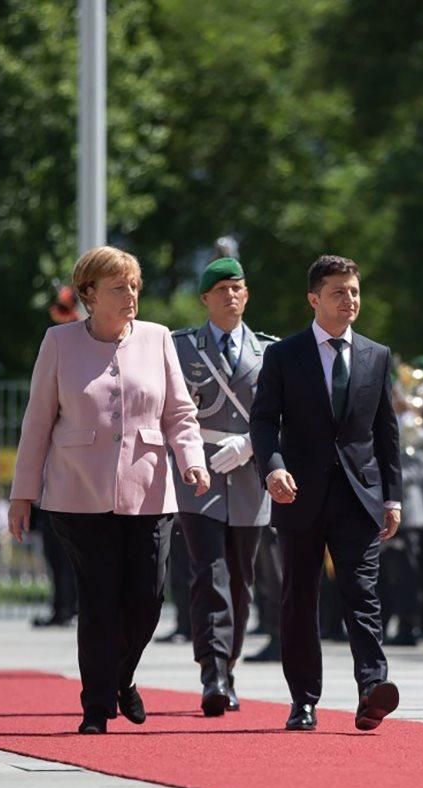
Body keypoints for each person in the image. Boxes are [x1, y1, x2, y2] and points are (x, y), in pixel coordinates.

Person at [7, 245, 209, 734]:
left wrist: (193, 461)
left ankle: (122, 676)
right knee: (97, 601)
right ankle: (96, 708)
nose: (131, 295)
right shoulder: (59, 343)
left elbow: (179, 413)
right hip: (77, 493)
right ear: (89, 294)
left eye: (134, 285)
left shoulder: (159, 339)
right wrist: (22, 492)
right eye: (119, 287)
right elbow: (37, 422)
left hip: (149, 489)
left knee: (147, 600)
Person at [250, 254, 403, 732]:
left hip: (360, 496)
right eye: (339, 292)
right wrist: (272, 469)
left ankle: (371, 690)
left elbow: (387, 432)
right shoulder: (283, 355)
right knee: (300, 598)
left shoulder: (376, 356)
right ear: (314, 298)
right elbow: (262, 420)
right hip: (298, 495)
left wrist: (392, 497)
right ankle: (304, 700)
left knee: (363, 593)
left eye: (355, 291)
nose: (349, 300)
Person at [171, 257, 279, 716]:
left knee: (241, 579)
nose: (230, 296)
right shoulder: (182, 348)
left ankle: (228, 665)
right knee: (208, 573)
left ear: (246, 295)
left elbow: (282, 416)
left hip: (249, 476)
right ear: (205, 300)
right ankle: (211, 674)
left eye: (237, 288)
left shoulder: (269, 351)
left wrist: (252, 445)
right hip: (201, 476)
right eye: (221, 290)